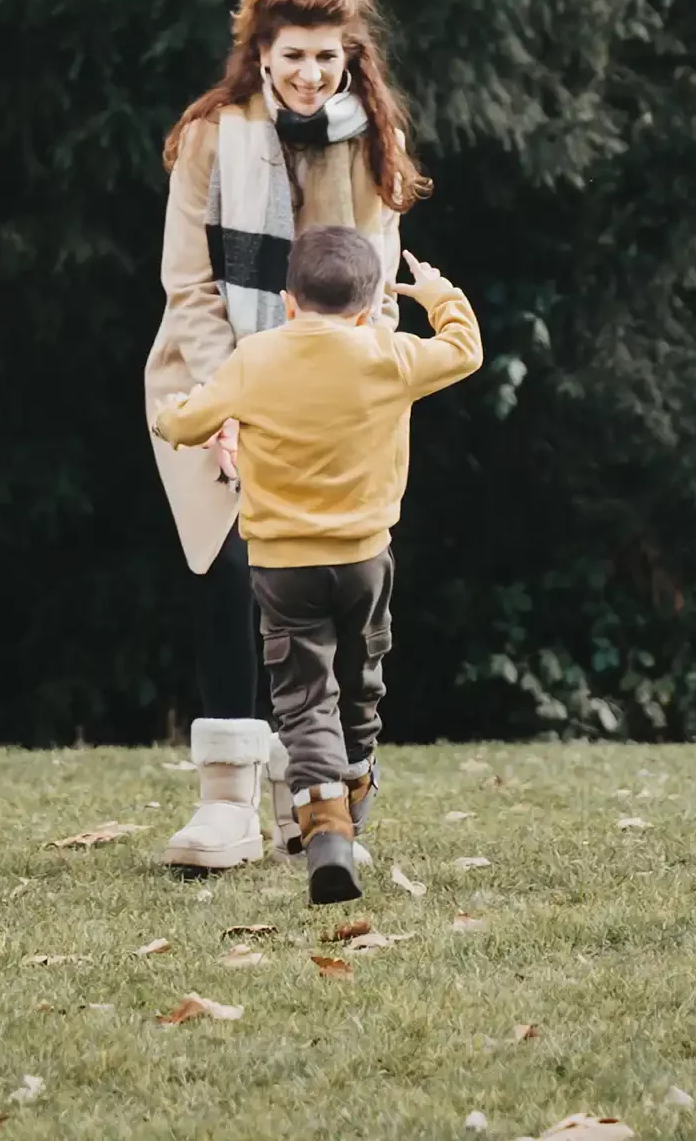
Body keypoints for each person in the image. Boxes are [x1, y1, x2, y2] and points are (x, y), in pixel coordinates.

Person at [144, 0, 430, 871]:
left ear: (349, 56)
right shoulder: (209, 137)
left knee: (326, 578)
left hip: (335, 386)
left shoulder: (371, 139)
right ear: (261, 53)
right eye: (293, 53)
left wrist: (337, 385)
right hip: (208, 373)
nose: (310, 73)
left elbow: (376, 290)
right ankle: (225, 801)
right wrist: (234, 403)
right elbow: (189, 287)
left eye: (326, 55)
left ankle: (311, 799)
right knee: (230, 568)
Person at [154, 226, 482, 903]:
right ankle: (354, 784)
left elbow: (190, 424)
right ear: (365, 309)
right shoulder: (387, 353)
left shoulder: (255, 358)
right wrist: (439, 295)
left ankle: (326, 829)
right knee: (361, 680)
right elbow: (465, 350)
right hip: (364, 560)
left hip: (283, 567)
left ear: (288, 301)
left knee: (304, 700)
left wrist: (167, 413)